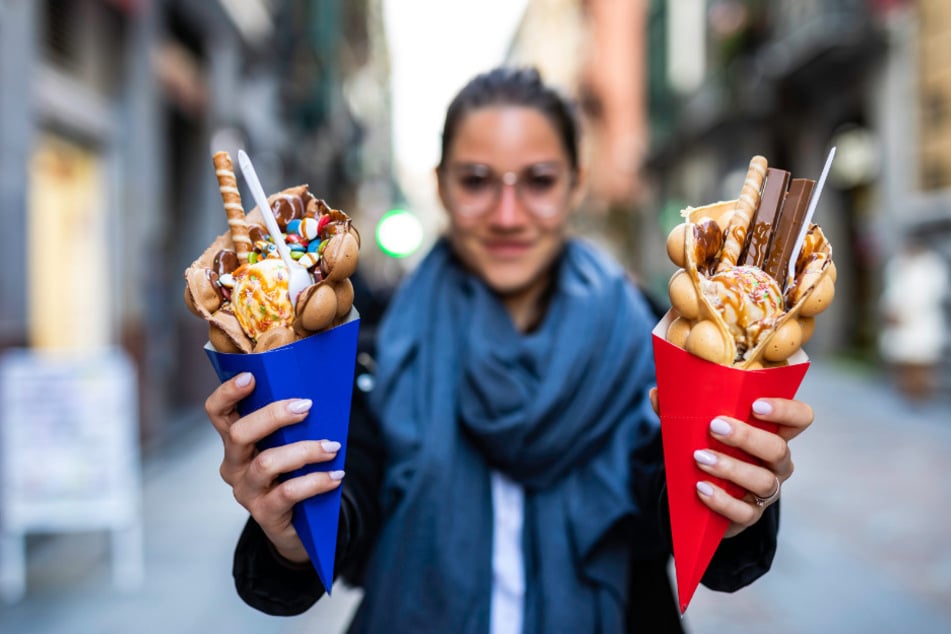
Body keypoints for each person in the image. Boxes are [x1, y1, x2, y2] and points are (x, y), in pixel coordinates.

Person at [203, 67, 815, 633]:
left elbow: (682, 518)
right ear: (442, 187)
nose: (507, 213)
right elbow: (343, 509)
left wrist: (732, 499)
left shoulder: (658, 336)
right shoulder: (370, 340)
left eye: (539, 180)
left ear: (575, 186)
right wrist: (289, 526)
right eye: (476, 180)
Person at [879, 232, 949, 400]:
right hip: (900, 321)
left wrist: (911, 310)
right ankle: (907, 392)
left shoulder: (932, 266)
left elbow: (934, 293)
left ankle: (921, 393)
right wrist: (891, 310)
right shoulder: (898, 263)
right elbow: (892, 290)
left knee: (922, 359)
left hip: (922, 321)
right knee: (903, 359)